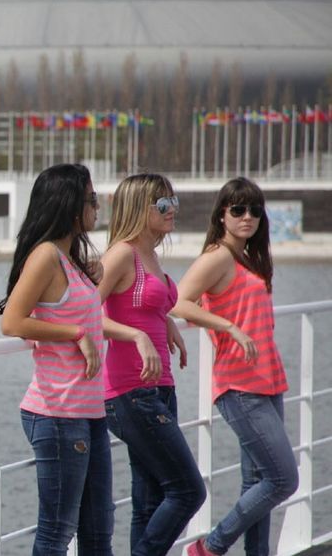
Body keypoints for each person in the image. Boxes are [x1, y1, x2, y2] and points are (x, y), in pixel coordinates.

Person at [173, 177, 297, 556]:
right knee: (283, 479)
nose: (247, 217)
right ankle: (210, 547)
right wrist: (228, 326)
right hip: (240, 387)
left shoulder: (248, 257)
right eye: (238, 209)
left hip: (267, 381)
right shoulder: (219, 256)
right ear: (222, 215)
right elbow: (178, 301)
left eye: (255, 210)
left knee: (257, 482)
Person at [0, 163, 114, 556]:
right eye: (91, 199)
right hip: (58, 412)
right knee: (57, 533)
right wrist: (75, 334)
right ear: (69, 204)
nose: (97, 206)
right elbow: (12, 322)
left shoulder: (70, 259)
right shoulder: (46, 255)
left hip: (90, 411)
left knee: (98, 532)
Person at [98, 173, 204, 555]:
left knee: (149, 502)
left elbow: (141, 304)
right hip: (130, 392)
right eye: (162, 204)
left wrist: (165, 321)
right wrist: (137, 336)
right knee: (188, 491)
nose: (171, 209)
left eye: (173, 202)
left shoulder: (152, 257)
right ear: (137, 209)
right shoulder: (121, 254)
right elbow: (86, 313)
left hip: (160, 388)